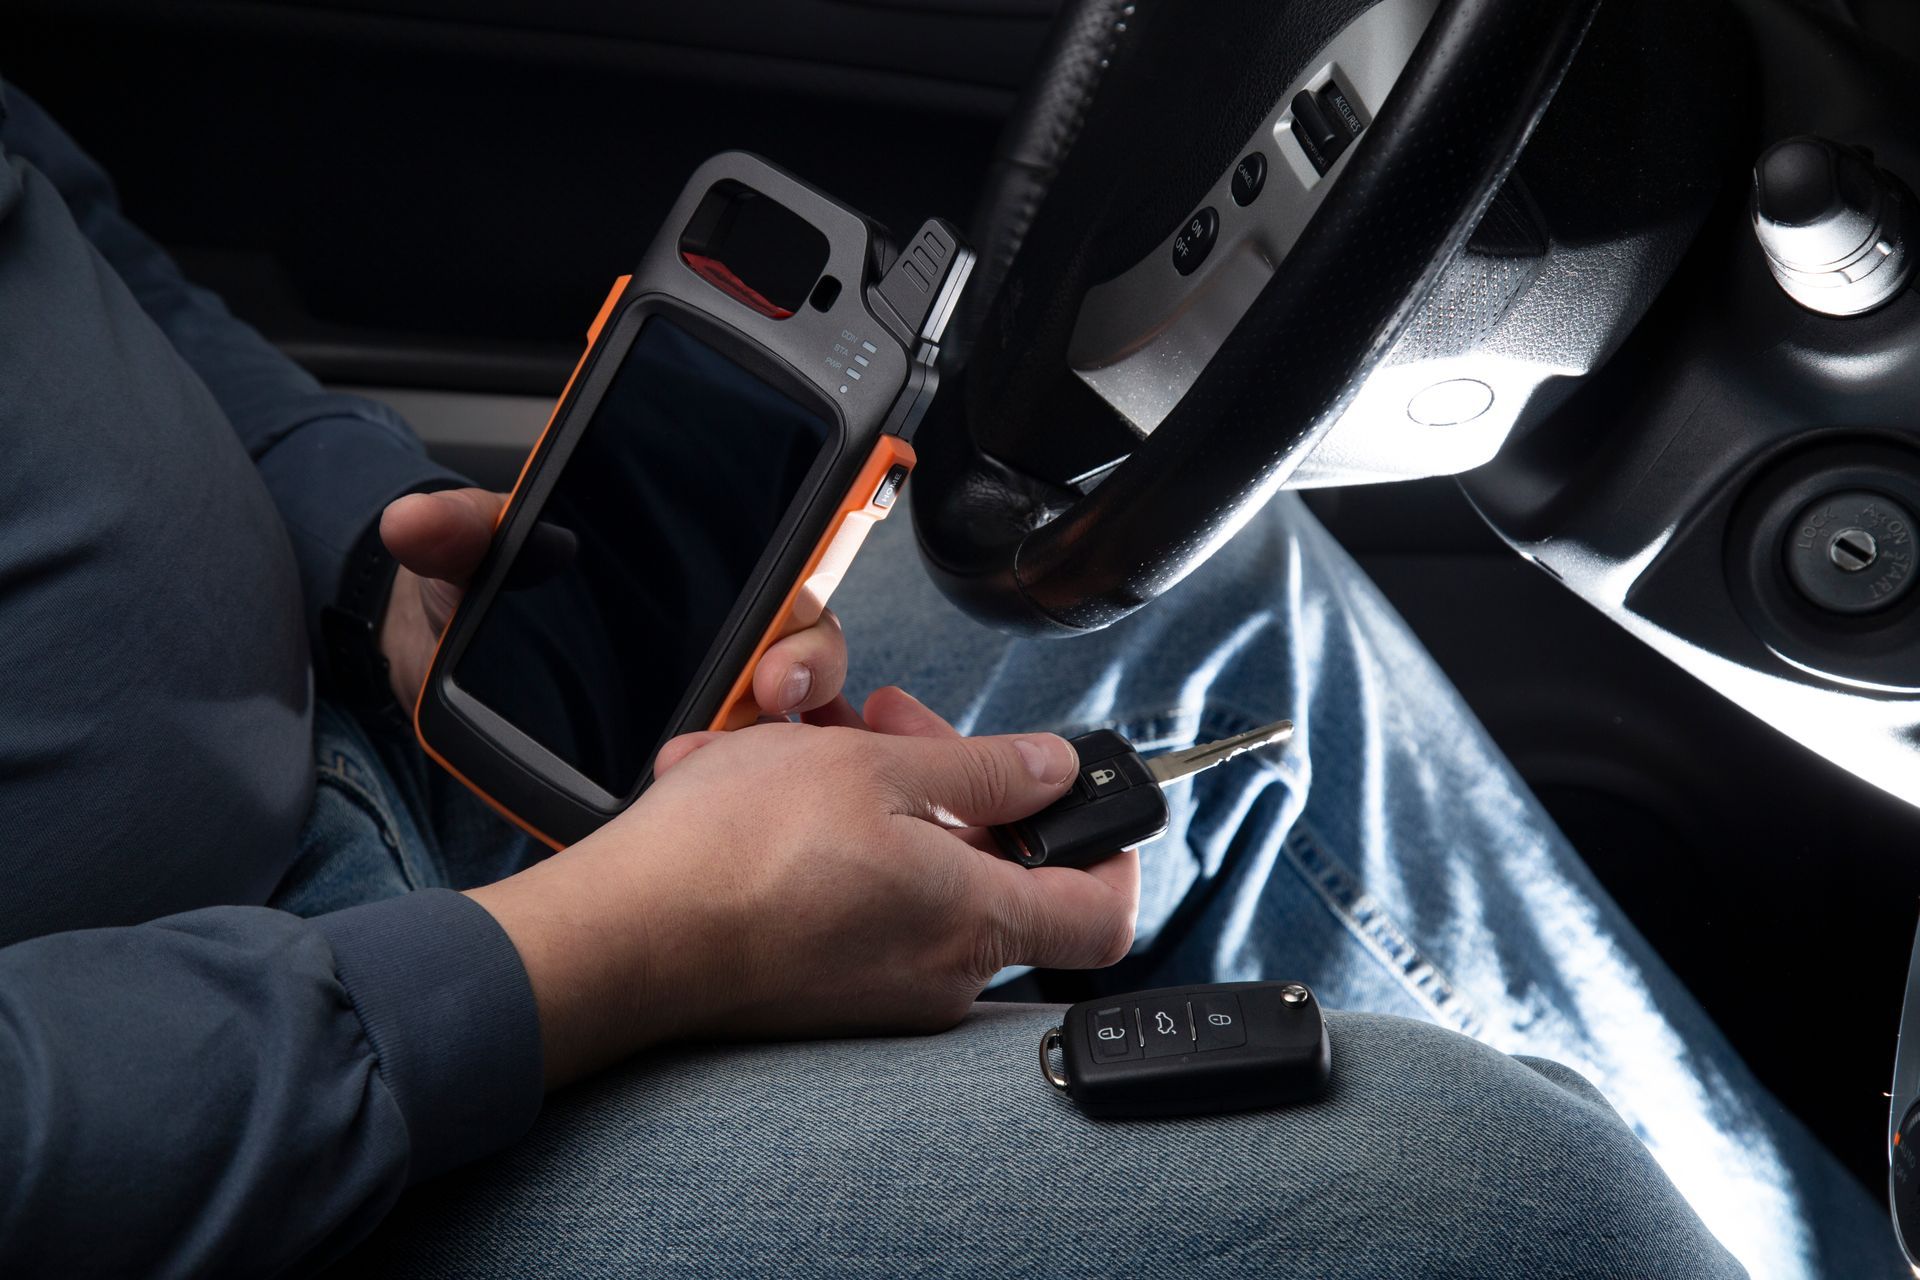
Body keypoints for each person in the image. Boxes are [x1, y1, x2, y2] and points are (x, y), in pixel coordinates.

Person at [0, 77, 1890, 1280]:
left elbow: (84, 258)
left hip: (380, 732)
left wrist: (364, 544)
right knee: (1508, 1214)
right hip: (248, 1138)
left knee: (1207, 589)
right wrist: (623, 949)